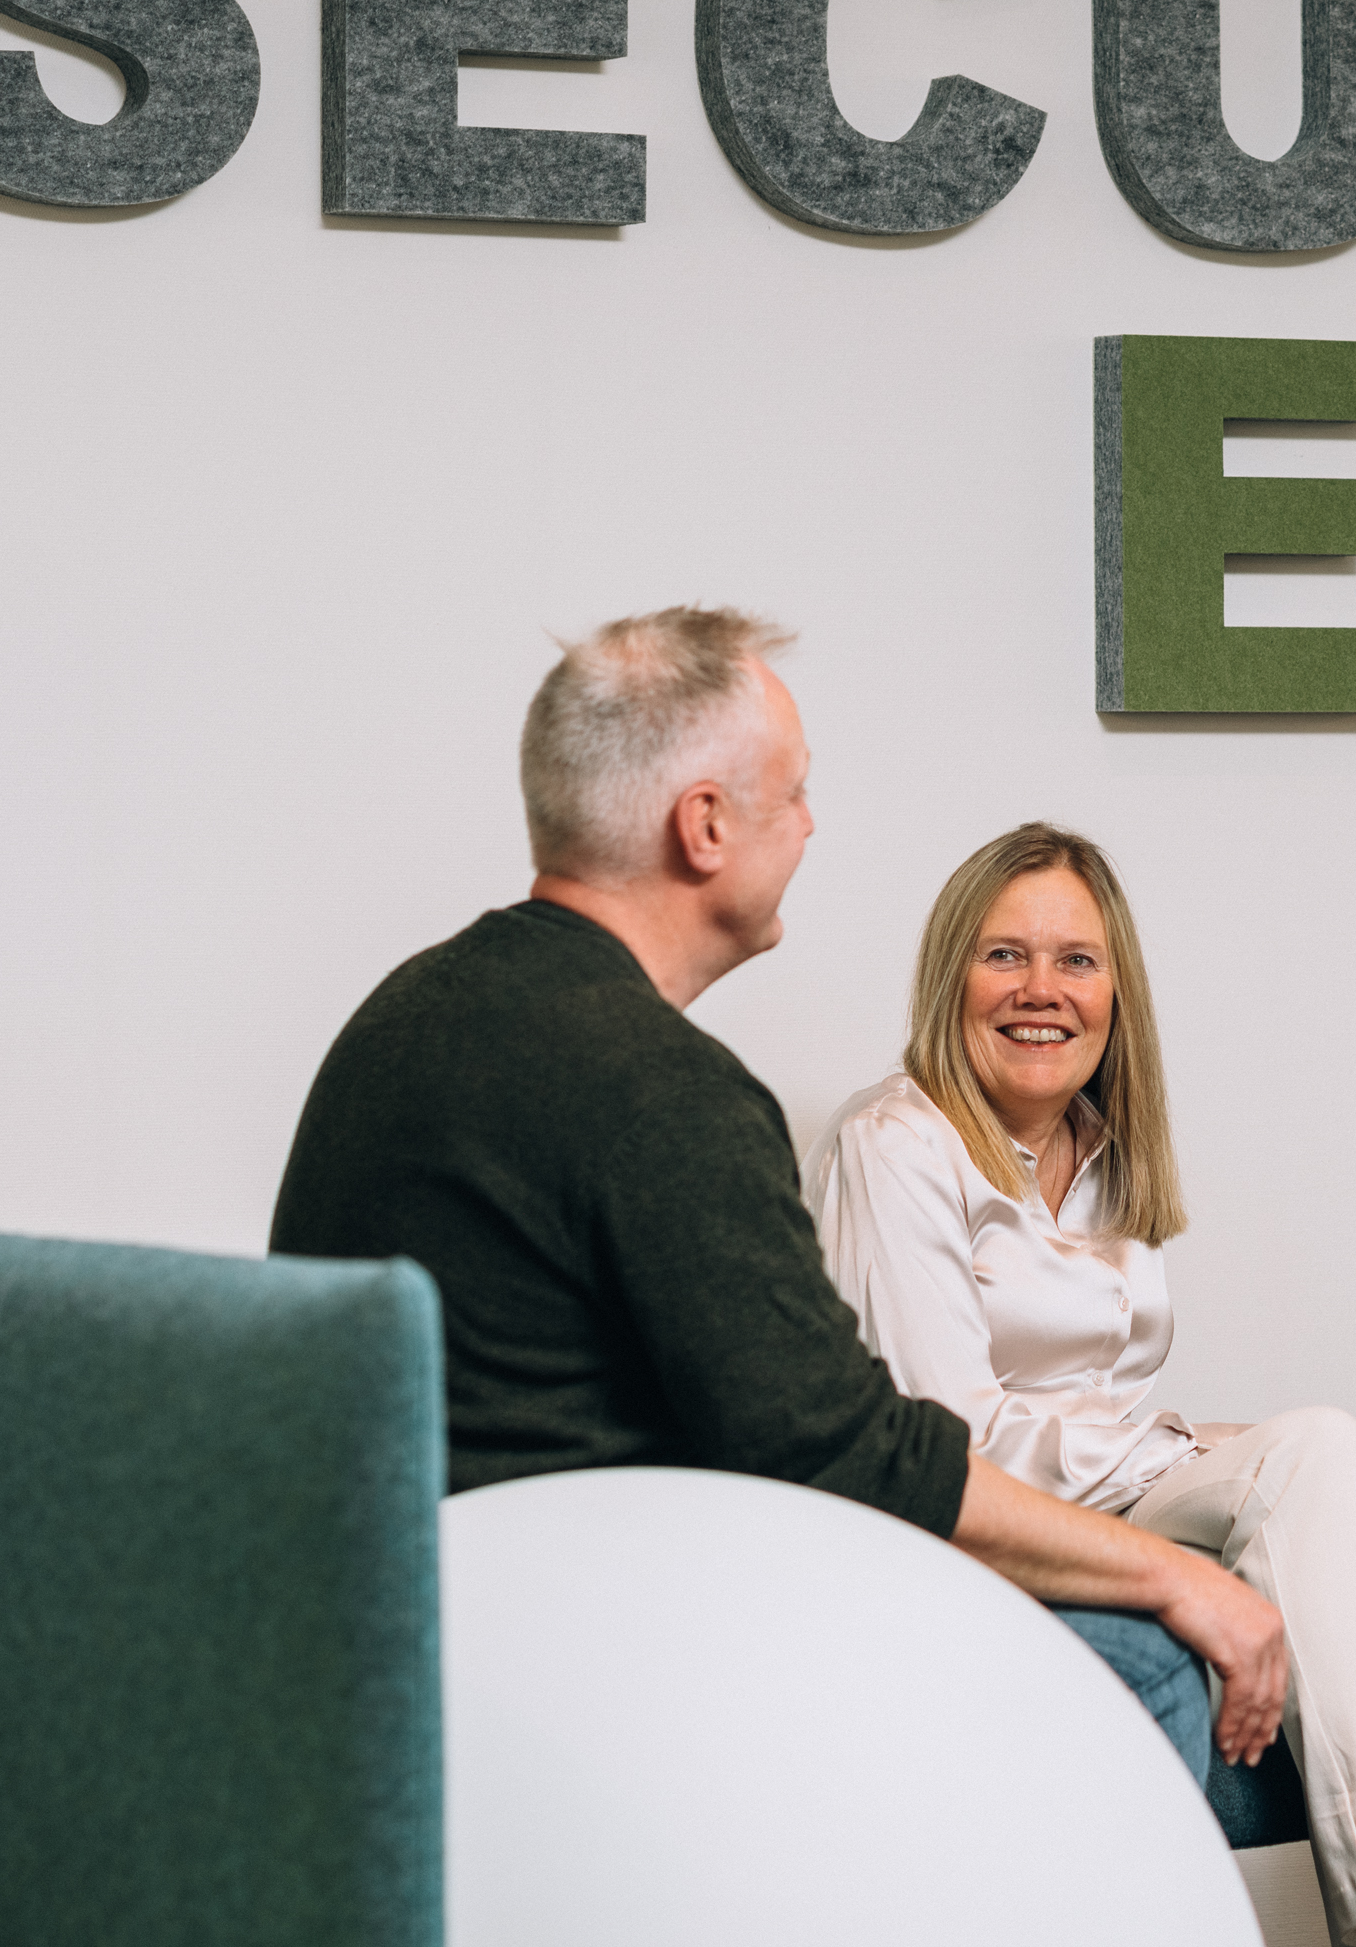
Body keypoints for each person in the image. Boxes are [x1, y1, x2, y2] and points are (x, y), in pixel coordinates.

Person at [268, 607, 1287, 1780]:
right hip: (574, 1664)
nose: (809, 825)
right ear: (705, 824)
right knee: (1145, 1661)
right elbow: (849, 1455)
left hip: (399, 1626)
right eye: (793, 792)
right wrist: (1178, 1573)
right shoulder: (659, 1090)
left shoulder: (407, 1015)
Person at [806, 823, 1356, 1947]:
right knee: (1306, 1451)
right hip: (966, 1540)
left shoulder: (1101, 1154)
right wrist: (1173, 1453)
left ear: (1117, 991)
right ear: (953, 977)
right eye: (1005, 954)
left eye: (1078, 961)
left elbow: (1097, 1408)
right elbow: (948, 1445)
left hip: (1097, 1504)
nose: (1044, 990)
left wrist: (1193, 1446)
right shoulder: (894, 1142)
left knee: (1317, 1446)